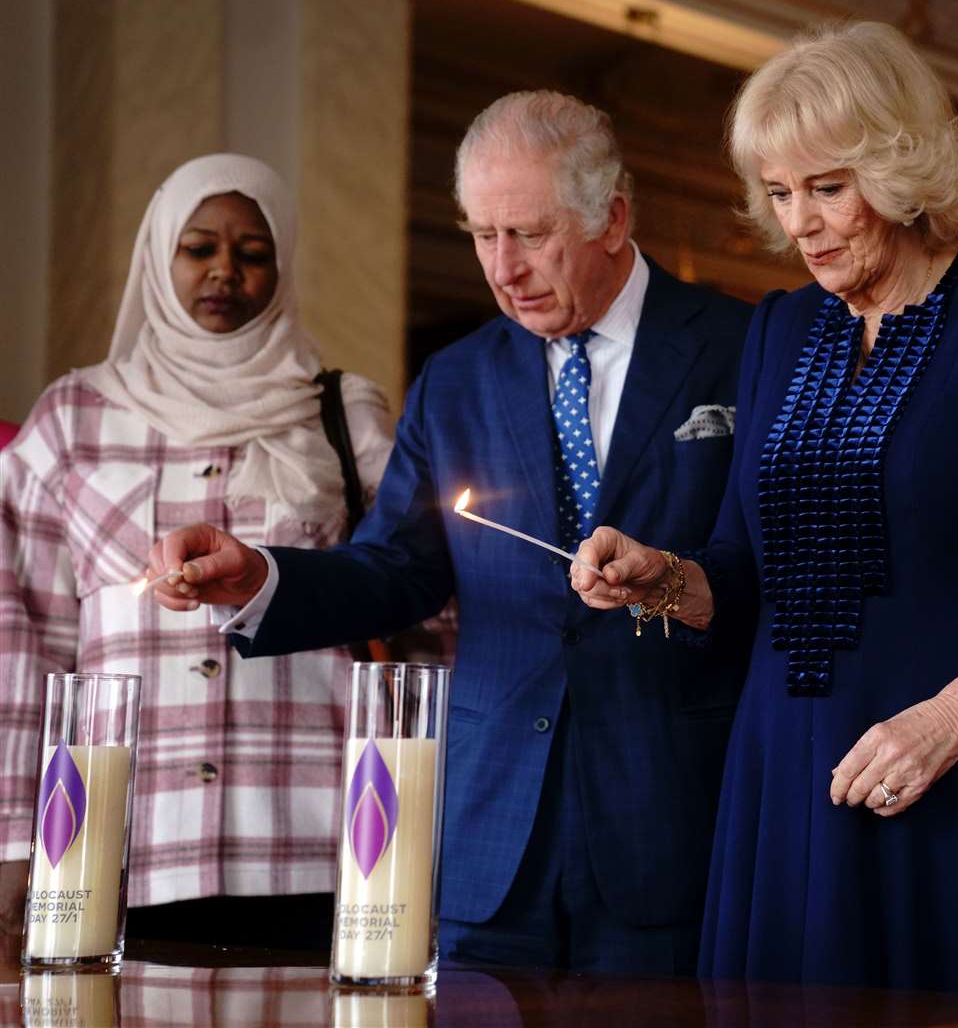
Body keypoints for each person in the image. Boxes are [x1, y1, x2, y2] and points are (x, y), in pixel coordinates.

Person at [572, 21, 958, 1000]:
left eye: (828, 187)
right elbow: (741, 574)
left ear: (903, 166)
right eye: (781, 194)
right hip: (780, 773)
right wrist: (658, 578)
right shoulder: (781, 329)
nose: (801, 223)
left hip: (956, 769)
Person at [146, 91, 754, 974]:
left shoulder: (743, 345)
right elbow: (400, 570)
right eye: (481, 235)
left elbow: (777, 566)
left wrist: (676, 577)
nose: (503, 269)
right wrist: (261, 579)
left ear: (614, 216)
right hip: (487, 833)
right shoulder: (455, 378)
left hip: (676, 818)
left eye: (531, 234)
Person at [0, 154, 397, 954]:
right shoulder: (72, 417)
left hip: (320, 838)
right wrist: (13, 838)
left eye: (253, 253)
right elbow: (24, 642)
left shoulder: (342, 416)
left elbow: (409, 598)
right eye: (199, 248)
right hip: (114, 846)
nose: (225, 271)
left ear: (281, 267)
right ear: (158, 257)